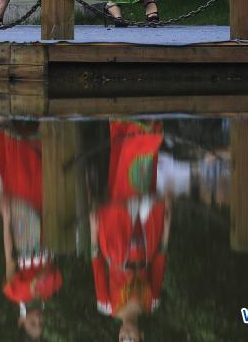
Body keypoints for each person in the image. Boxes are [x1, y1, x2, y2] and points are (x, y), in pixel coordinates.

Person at [91, 120, 171, 342]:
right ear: (141, 336)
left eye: (122, 340)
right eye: (132, 340)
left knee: (121, 181)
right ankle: (147, 127)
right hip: (147, 238)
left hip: (115, 241)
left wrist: (93, 228)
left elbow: (96, 263)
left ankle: (124, 124)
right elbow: (160, 261)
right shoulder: (152, 302)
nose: (126, 335)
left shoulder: (106, 305)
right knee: (143, 178)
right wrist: (166, 226)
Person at [0, 120, 62, 340]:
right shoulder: (52, 289)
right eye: (41, 323)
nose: (39, 319)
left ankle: (8, 120)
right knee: (42, 172)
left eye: (33, 323)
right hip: (45, 217)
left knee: (20, 172)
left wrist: (6, 220)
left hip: (22, 225)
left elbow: (9, 256)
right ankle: (40, 118)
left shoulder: (14, 292)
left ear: (21, 321)